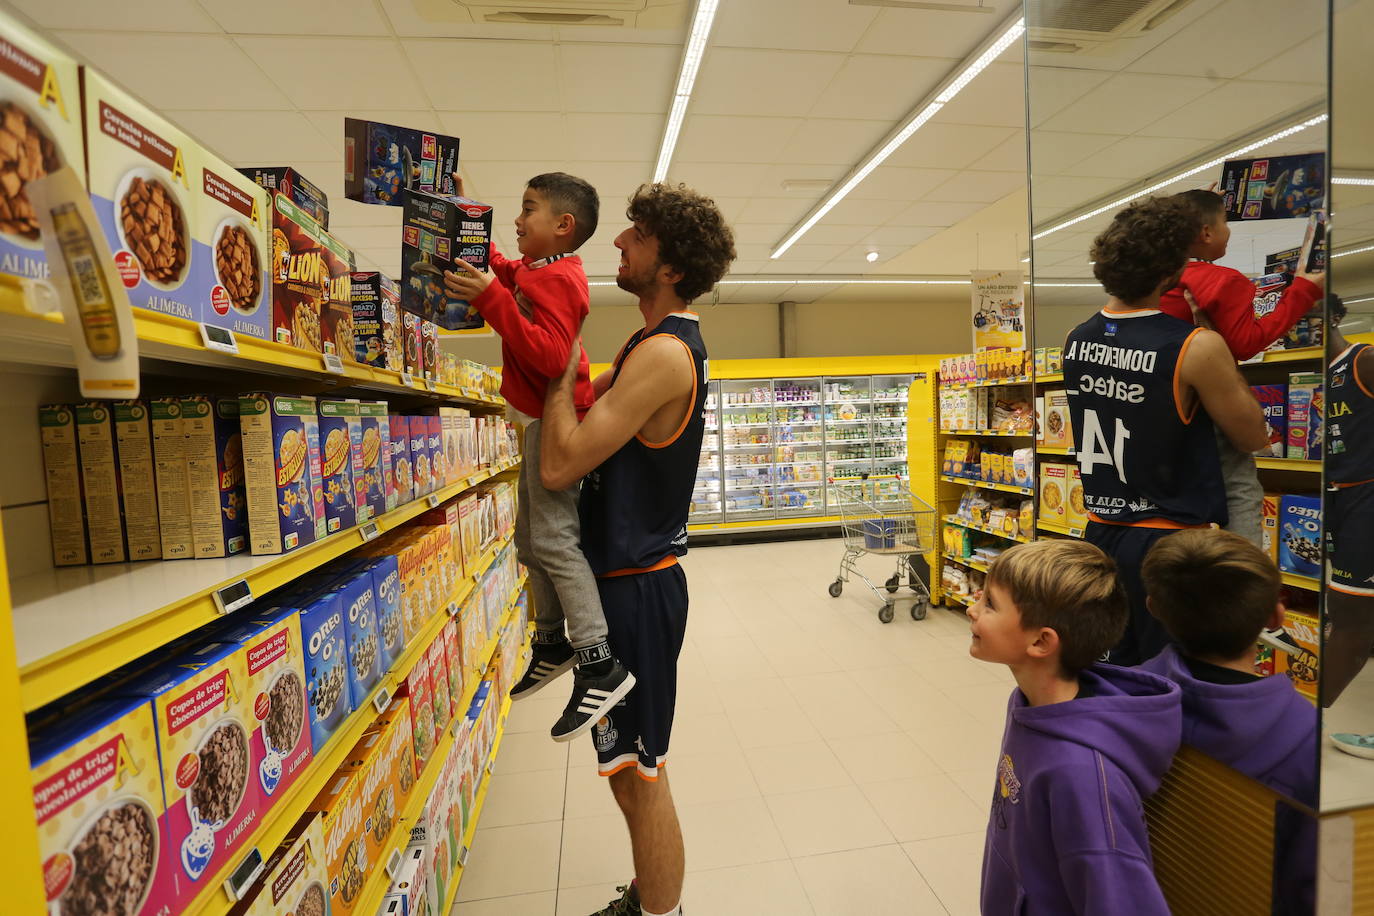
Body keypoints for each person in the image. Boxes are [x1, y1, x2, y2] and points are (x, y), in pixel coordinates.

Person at [540, 183, 736, 916]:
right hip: (622, 587)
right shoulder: (652, 344)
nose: (618, 243)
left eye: (637, 235)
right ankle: (651, 896)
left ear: (671, 266)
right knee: (627, 768)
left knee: (640, 771)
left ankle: (662, 912)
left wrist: (560, 373)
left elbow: (561, 465)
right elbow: (581, 398)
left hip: (635, 590)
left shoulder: (662, 354)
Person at [443, 172, 634, 742]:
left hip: (558, 424)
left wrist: (492, 301)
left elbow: (553, 357)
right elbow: (503, 268)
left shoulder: (564, 280)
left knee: (554, 540)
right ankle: (551, 641)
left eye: (528, 210)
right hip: (537, 424)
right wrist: (466, 211)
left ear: (562, 226)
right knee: (530, 540)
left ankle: (599, 660)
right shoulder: (538, 270)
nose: (519, 220)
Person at [1064, 196, 1270, 665]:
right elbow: (1252, 436)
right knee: (1172, 683)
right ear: (1171, 273)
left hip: (1101, 531)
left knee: (1115, 671)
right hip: (1169, 546)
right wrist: (1217, 346)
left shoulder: (1077, 338)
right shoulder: (1194, 346)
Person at [969, 539, 1180, 915]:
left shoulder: (1082, 774)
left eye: (990, 604)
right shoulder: (1029, 703)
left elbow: (1122, 900)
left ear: (1040, 641)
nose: (972, 609)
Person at [1139, 528, 1316, 913]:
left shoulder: (1122, 699)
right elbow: (1315, 886)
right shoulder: (1309, 739)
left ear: (1153, 607)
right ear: (1276, 617)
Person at [1157, 189, 1326, 544]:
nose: (1229, 231)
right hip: (1207, 405)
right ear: (1206, 233)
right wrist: (1304, 290)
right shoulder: (1222, 280)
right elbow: (1246, 343)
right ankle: (1243, 579)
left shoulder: (1157, 278)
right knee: (1240, 489)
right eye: (1225, 222)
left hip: (1160, 407)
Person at [1317, 294, 1374, 758]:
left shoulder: (1363, 361)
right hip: (1343, 500)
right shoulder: (1316, 378)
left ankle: (1304, 721)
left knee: (1351, 619)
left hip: (1367, 501)